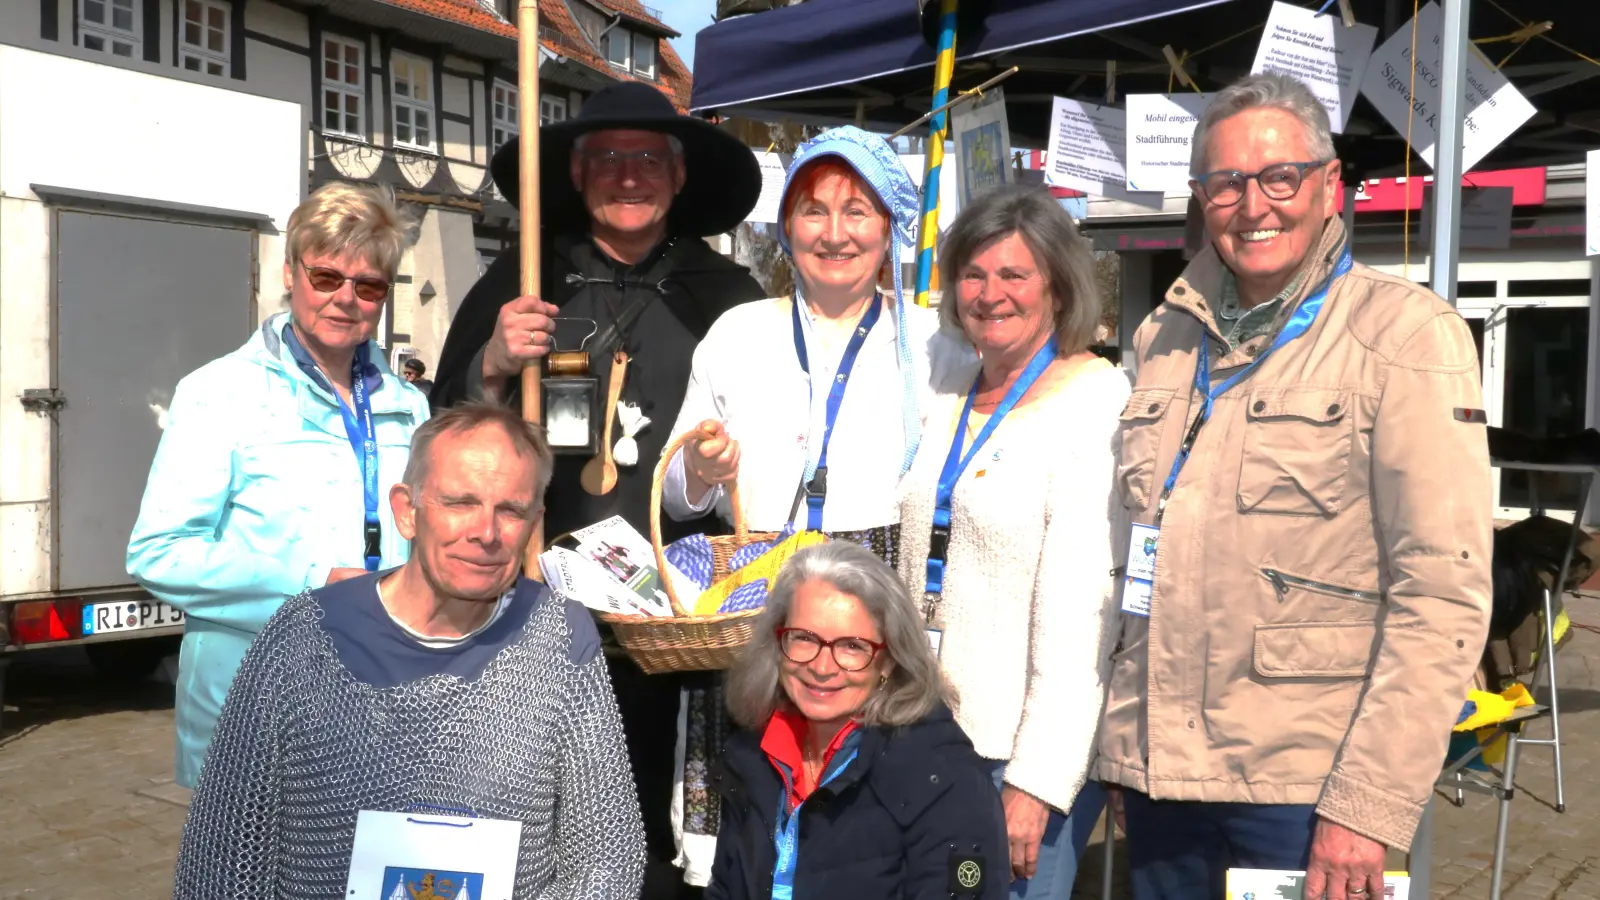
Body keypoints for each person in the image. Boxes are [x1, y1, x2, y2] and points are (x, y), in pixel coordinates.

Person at [1100, 73, 1492, 900]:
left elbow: (1443, 593)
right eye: (1226, 183)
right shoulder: (1163, 337)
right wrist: (1125, 744)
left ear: (1328, 185)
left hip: (1306, 791)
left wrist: (1369, 806)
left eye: (1279, 178)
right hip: (1163, 781)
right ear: (1201, 198)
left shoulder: (1405, 335)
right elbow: (1138, 558)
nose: (1254, 206)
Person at [429, 80, 766, 900]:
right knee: (546, 819)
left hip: (682, 629)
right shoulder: (527, 277)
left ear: (679, 177)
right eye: (607, 158)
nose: (627, 175)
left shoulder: (729, 298)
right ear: (576, 175)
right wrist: (497, 364)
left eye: (648, 159)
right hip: (546, 608)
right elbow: (451, 431)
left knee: (671, 832)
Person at [171, 404, 645, 899]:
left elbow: (604, 860)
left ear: (534, 522)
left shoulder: (560, 639)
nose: (486, 532)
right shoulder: (306, 638)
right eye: (460, 502)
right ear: (406, 510)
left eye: (511, 510)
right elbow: (223, 864)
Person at [126, 183, 429, 789]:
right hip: (259, 709)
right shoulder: (219, 393)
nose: (346, 299)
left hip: (389, 698)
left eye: (367, 286)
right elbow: (158, 553)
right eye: (326, 277)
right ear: (290, 274)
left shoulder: (407, 404)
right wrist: (314, 583)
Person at [896, 184, 1128, 900]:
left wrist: (1036, 779)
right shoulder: (952, 389)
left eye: (1014, 274)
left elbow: (1086, 615)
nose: (990, 293)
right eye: (973, 273)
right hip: (928, 729)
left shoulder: (1094, 403)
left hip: (1014, 753)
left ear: (1057, 287)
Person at [661, 127, 970, 564]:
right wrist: (698, 467)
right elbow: (673, 497)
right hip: (754, 592)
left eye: (856, 211)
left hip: (886, 589)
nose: (835, 234)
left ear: (889, 229)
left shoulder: (935, 344)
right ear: (787, 227)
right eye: (814, 212)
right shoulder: (737, 335)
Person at [708, 541, 1008, 900]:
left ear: (889, 660)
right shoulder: (752, 755)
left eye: (852, 646)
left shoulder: (944, 778)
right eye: (803, 638)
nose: (821, 667)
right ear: (777, 642)